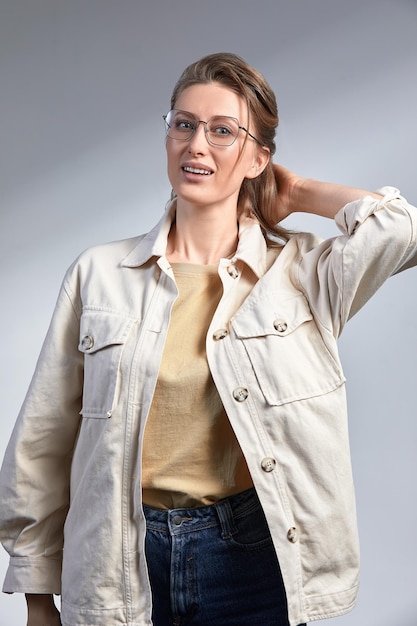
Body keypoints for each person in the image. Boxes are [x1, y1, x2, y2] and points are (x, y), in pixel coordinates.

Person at [0, 52, 416, 626]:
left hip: (249, 555)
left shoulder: (300, 274)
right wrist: (37, 596)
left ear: (257, 158)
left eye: (223, 131)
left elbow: (401, 231)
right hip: (119, 555)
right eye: (184, 124)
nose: (197, 144)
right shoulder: (98, 275)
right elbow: (42, 442)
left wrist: (297, 192)